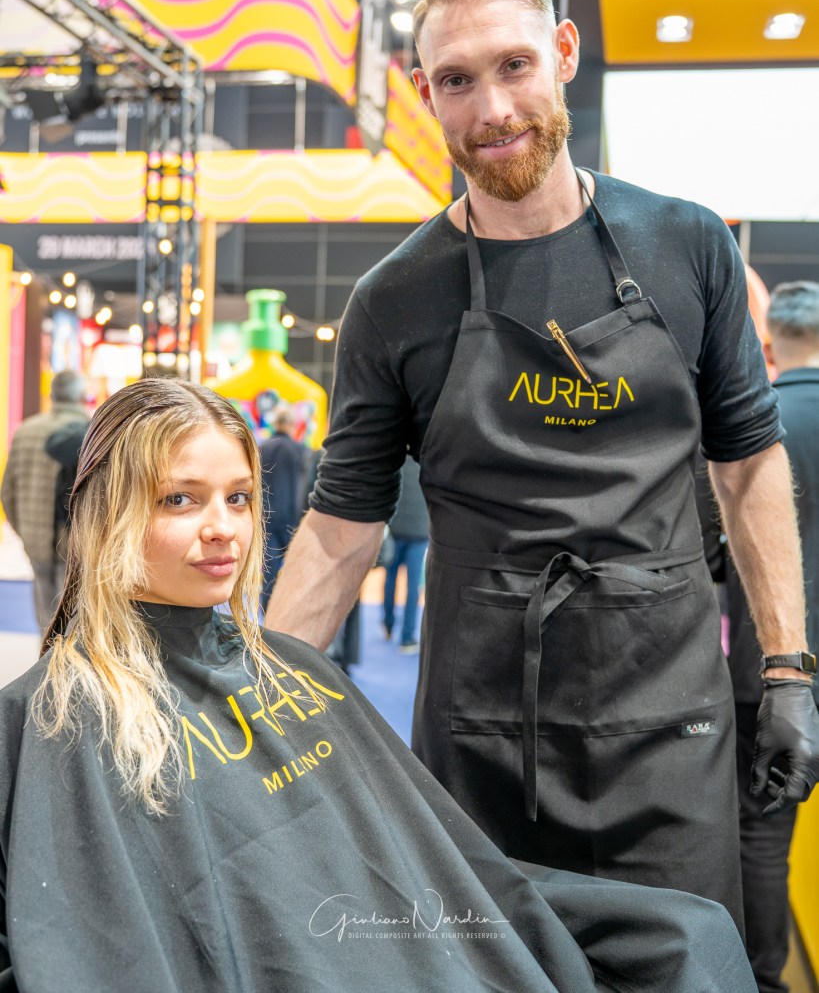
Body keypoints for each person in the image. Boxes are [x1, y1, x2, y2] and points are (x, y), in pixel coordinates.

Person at [264, 0, 819, 930]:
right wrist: (253, 710)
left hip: (672, 722)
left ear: (563, 54)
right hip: (481, 733)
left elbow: (746, 464)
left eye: (513, 65)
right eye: (457, 79)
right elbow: (340, 525)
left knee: (687, 963)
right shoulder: (394, 299)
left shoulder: (687, 245)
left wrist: (786, 669)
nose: (492, 109)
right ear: (424, 90)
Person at [0, 378, 757, 993]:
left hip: (418, 948)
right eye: (180, 499)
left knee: (683, 936)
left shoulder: (293, 667)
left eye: (238, 497)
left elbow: (427, 855)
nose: (223, 526)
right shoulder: (56, 715)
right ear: (109, 513)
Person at [724, 281, 819, 993]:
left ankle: (763, 980)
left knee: (761, 833)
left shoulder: (752, 424)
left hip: (771, 668)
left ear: (769, 344)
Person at [0, 369, 88, 631]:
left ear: (52, 394)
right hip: (76, 540)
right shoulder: (93, 431)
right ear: (82, 395)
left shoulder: (26, 431)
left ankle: (46, 653)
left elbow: (8, 491)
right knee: (74, 617)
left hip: (34, 536)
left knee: (45, 615)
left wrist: (24, 529)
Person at [259, 403, 307, 612]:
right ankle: (290, 613)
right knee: (295, 572)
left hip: (267, 518)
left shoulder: (262, 449)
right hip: (293, 520)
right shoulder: (300, 450)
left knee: (268, 574)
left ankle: (267, 614)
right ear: (290, 425)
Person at [383, 457, 430, 653]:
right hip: (419, 531)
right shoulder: (427, 459)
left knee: (391, 577)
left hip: (396, 528)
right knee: (413, 585)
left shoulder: (396, 458)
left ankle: (388, 624)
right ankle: (407, 638)